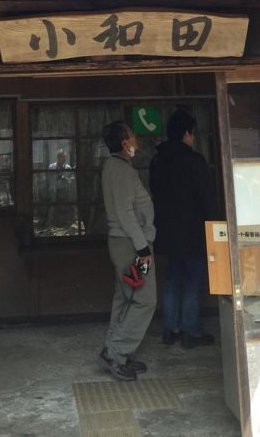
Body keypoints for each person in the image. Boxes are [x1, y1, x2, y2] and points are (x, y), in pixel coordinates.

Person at [149, 109, 218, 348]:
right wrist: (216, 226)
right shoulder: (194, 160)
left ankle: (171, 328)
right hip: (193, 232)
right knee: (192, 281)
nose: (194, 137)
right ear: (187, 133)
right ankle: (191, 331)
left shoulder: (157, 160)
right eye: (192, 133)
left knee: (171, 279)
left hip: (166, 232)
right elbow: (207, 198)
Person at [98, 120, 156, 382]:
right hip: (132, 244)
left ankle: (113, 350)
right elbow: (125, 212)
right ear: (124, 143)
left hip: (125, 242)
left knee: (125, 296)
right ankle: (117, 352)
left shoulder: (116, 167)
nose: (136, 141)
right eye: (133, 136)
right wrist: (143, 247)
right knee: (144, 299)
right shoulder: (120, 170)